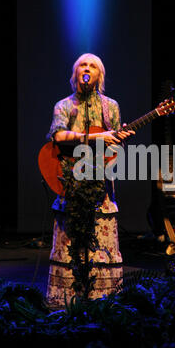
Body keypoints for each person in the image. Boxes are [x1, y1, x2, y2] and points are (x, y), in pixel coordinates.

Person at [45, 53, 134, 306]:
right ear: (75, 74)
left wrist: (119, 138)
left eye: (92, 65)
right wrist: (94, 138)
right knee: (71, 243)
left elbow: (115, 146)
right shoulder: (63, 106)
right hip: (70, 182)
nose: (87, 68)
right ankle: (66, 302)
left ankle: (102, 301)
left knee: (100, 241)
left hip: (100, 181)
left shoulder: (111, 107)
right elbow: (58, 136)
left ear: (99, 75)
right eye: (82, 65)